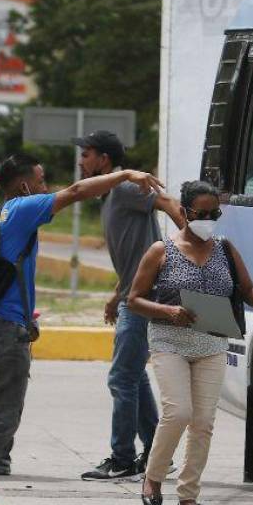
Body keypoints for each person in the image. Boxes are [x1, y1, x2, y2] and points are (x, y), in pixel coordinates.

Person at [0, 153, 163, 505]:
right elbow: (78, 191)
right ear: (24, 185)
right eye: (42, 180)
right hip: (3, 334)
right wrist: (124, 172)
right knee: (0, 418)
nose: (47, 188)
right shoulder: (23, 208)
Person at [129, 180, 253, 505]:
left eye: (215, 213)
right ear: (184, 212)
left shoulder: (225, 248)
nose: (209, 219)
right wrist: (167, 311)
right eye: (202, 213)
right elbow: (134, 299)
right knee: (178, 412)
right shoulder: (161, 250)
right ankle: (152, 477)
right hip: (170, 343)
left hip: (211, 343)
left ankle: (188, 494)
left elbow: (247, 289)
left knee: (203, 422)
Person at [75, 130, 186, 482]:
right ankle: (157, 454)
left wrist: (193, 245)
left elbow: (166, 202)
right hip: (132, 293)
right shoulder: (111, 194)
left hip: (146, 296)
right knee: (134, 376)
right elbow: (135, 253)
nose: (82, 161)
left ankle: (122, 458)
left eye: (87, 154)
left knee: (121, 378)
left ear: (104, 160)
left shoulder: (124, 188)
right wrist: (116, 294)